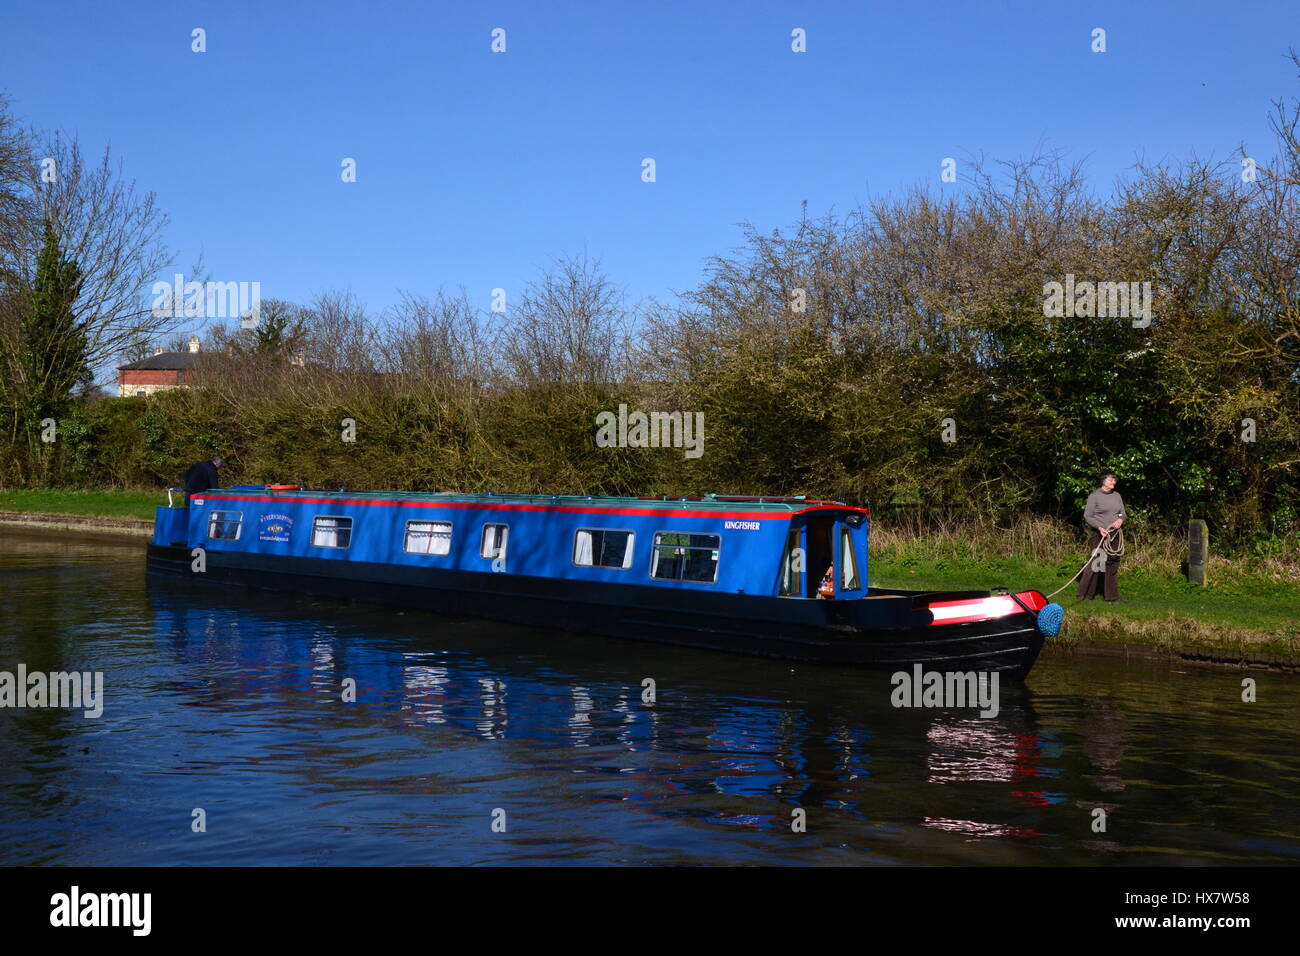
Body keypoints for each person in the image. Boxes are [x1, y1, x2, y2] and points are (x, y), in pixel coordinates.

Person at [1077, 471, 1125, 602]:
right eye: (1111, 480)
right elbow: (1088, 516)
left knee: (1113, 563)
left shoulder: (1117, 496)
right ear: (1103, 481)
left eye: (1114, 480)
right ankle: (1085, 595)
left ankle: (1112, 596)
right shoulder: (1094, 496)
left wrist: (1120, 520)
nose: (1113, 482)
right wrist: (1100, 527)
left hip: (1114, 535)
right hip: (1099, 534)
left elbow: (1122, 513)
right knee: (1096, 563)